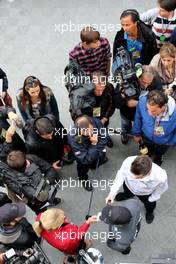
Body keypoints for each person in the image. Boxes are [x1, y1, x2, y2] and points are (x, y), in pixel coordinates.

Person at [105, 156, 168, 224]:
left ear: (148, 173)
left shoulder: (160, 176)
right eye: (132, 175)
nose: (134, 178)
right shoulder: (128, 161)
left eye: (138, 177)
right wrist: (112, 193)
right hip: (129, 186)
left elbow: (162, 188)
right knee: (127, 193)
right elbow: (121, 175)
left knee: (150, 204)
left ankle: (149, 212)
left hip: (145, 193)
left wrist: (153, 197)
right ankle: (127, 195)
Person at [113, 65, 162, 145]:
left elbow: (159, 99)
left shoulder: (156, 81)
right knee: (125, 125)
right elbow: (115, 102)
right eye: (143, 82)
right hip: (127, 113)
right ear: (138, 77)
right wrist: (122, 97)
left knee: (140, 127)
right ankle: (125, 135)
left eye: (149, 83)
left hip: (144, 114)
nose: (146, 85)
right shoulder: (127, 79)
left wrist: (138, 103)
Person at [1, 150, 61, 214]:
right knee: (41, 210)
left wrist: (47, 182)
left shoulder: (31, 158)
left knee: (49, 195)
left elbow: (49, 169)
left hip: (44, 187)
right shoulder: (11, 178)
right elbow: (19, 191)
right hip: (33, 199)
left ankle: (52, 200)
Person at [133, 90, 176, 165]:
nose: (149, 113)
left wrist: (171, 142)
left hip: (164, 141)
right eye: (147, 109)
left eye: (153, 111)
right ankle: (149, 154)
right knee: (148, 149)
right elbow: (138, 117)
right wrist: (136, 133)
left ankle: (159, 156)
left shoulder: (174, 113)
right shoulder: (143, 101)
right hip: (147, 136)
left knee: (160, 151)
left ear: (163, 106)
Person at [68, 115, 108, 191]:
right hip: (84, 155)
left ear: (91, 123)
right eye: (85, 131)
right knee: (83, 167)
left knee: (96, 161)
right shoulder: (73, 137)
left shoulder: (96, 121)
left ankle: (94, 164)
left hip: (96, 150)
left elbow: (105, 137)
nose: (89, 133)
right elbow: (85, 160)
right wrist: (94, 144)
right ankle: (83, 179)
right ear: (78, 129)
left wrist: (97, 150)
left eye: (90, 129)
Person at [32, 208, 97, 255]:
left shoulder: (41, 219)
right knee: (79, 247)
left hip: (63, 245)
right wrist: (88, 222)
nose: (66, 217)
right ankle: (84, 247)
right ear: (55, 227)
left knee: (68, 251)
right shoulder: (66, 240)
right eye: (64, 219)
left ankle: (70, 253)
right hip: (72, 245)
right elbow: (78, 236)